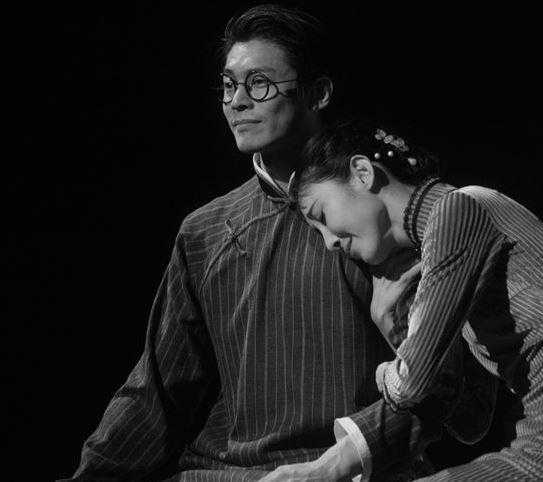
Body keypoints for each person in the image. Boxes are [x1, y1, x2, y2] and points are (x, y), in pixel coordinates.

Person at [69, 6, 430, 481]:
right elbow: (157, 392)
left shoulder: (377, 211)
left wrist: (342, 461)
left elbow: (435, 386)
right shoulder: (205, 231)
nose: (237, 101)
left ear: (318, 93)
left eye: (259, 83)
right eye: (228, 86)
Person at [294, 121, 543, 480]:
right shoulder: (443, 246)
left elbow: (409, 384)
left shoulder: (459, 210)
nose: (329, 243)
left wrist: (386, 373)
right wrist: (390, 322)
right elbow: (471, 421)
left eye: (321, 216)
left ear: (362, 172)